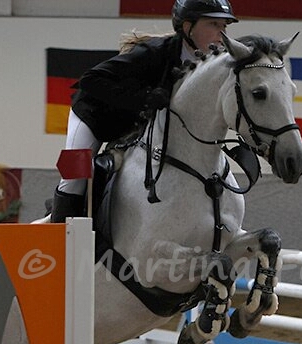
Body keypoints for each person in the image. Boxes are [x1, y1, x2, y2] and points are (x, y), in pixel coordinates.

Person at [50, 0, 239, 222]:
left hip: (139, 123)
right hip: (96, 115)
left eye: (224, 26)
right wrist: (145, 97)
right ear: (188, 27)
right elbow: (90, 80)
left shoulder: (211, 64)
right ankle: (59, 231)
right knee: (75, 174)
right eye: (213, 24)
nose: (221, 33)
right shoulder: (154, 52)